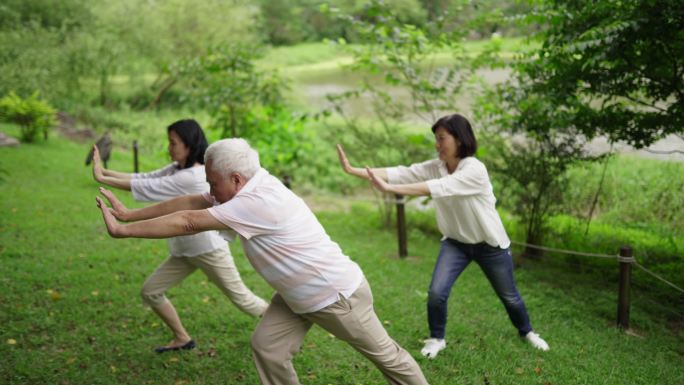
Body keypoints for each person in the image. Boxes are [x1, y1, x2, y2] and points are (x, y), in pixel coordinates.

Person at [95, 138, 429, 385]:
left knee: (391, 360)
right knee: (268, 347)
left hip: (336, 296)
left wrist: (124, 231)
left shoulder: (257, 201)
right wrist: (129, 213)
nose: (210, 188)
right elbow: (193, 201)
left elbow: (189, 221)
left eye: (214, 182)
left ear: (236, 179)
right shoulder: (244, 186)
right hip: (297, 295)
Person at [336, 113, 550, 359]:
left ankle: (527, 332)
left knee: (510, 297)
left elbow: (436, 188)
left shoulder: (474, 169)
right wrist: (353, 170)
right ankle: (437, 338)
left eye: (442, 138)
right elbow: (401, 172)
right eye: (435, 139)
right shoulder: (436, 167)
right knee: (437, 292)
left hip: (489, 245)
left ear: (459, 139)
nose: (437, 145)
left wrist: (390, 189)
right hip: (455, 244)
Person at [91, 119, 268, 353]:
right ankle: (182, 338)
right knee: (151, 291)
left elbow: (147, 188)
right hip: (184, 250)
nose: (169, 147)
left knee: (243, 300)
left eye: (173, 143)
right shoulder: (178, 168)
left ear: (188, 144)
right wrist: (103, 172)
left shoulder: (192, 175)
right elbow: (145, 177)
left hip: (207, 250)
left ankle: (282, 319)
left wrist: (102, 178)